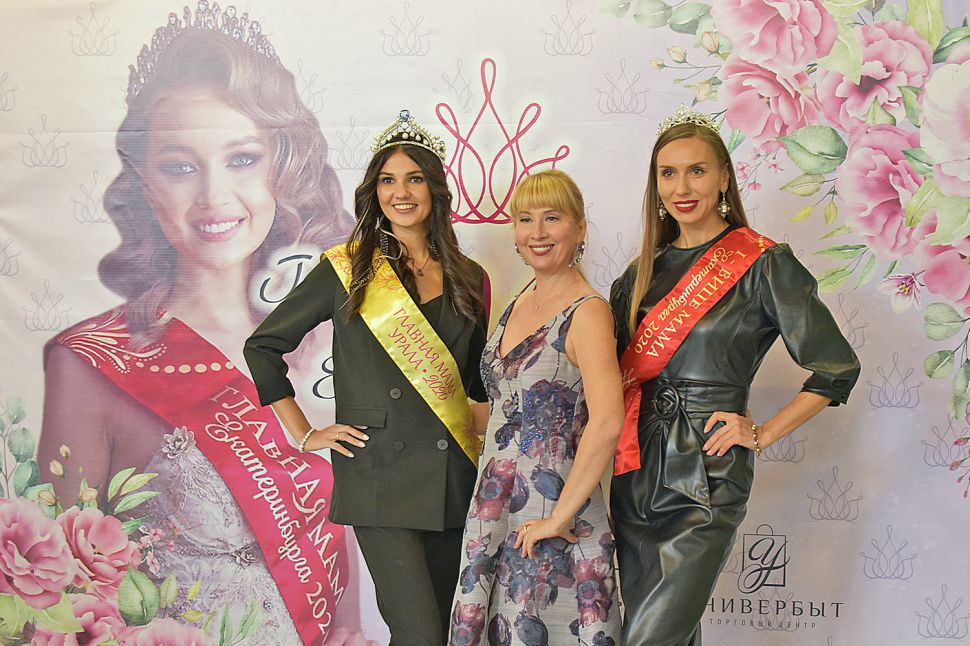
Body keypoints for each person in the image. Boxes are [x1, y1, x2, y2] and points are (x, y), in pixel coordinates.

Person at [38, 3, 372, 644]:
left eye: (242, 159)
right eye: (180, 166)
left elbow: (333, 543)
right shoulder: (90, 364)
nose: (215, 197)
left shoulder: (323, 341)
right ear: (144, 183)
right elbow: (59, 600)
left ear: (282, 167)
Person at [608, 105, 861, 645]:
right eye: (668, 173)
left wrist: (761, 432)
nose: (682, 187)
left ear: (724, 177)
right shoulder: (639, 275)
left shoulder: (764, 263)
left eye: (697, 171)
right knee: (668, 634)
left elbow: (835, 366)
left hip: (707, 470)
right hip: (636, 469)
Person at [245, 109, 491, 646]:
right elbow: (262, 347)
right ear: (374, 192)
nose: (401, 193)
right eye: (387, 180)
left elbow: (475, 386)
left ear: (435, 189)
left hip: (450, 475)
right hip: (378, 472)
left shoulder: (471, 277)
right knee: (420, 634)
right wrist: (304, 432)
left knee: (447, 632)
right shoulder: (348, 268)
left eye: (414, 178)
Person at [448, 170, 623, 644]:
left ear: (580, 227)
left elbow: (607, 421)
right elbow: (507, 412)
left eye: (553, 218)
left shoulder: (587, 312)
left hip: (553, 508)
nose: (537, 232)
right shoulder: (520, 299)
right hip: (495, 508)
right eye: (525, 219)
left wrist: (559, 517)